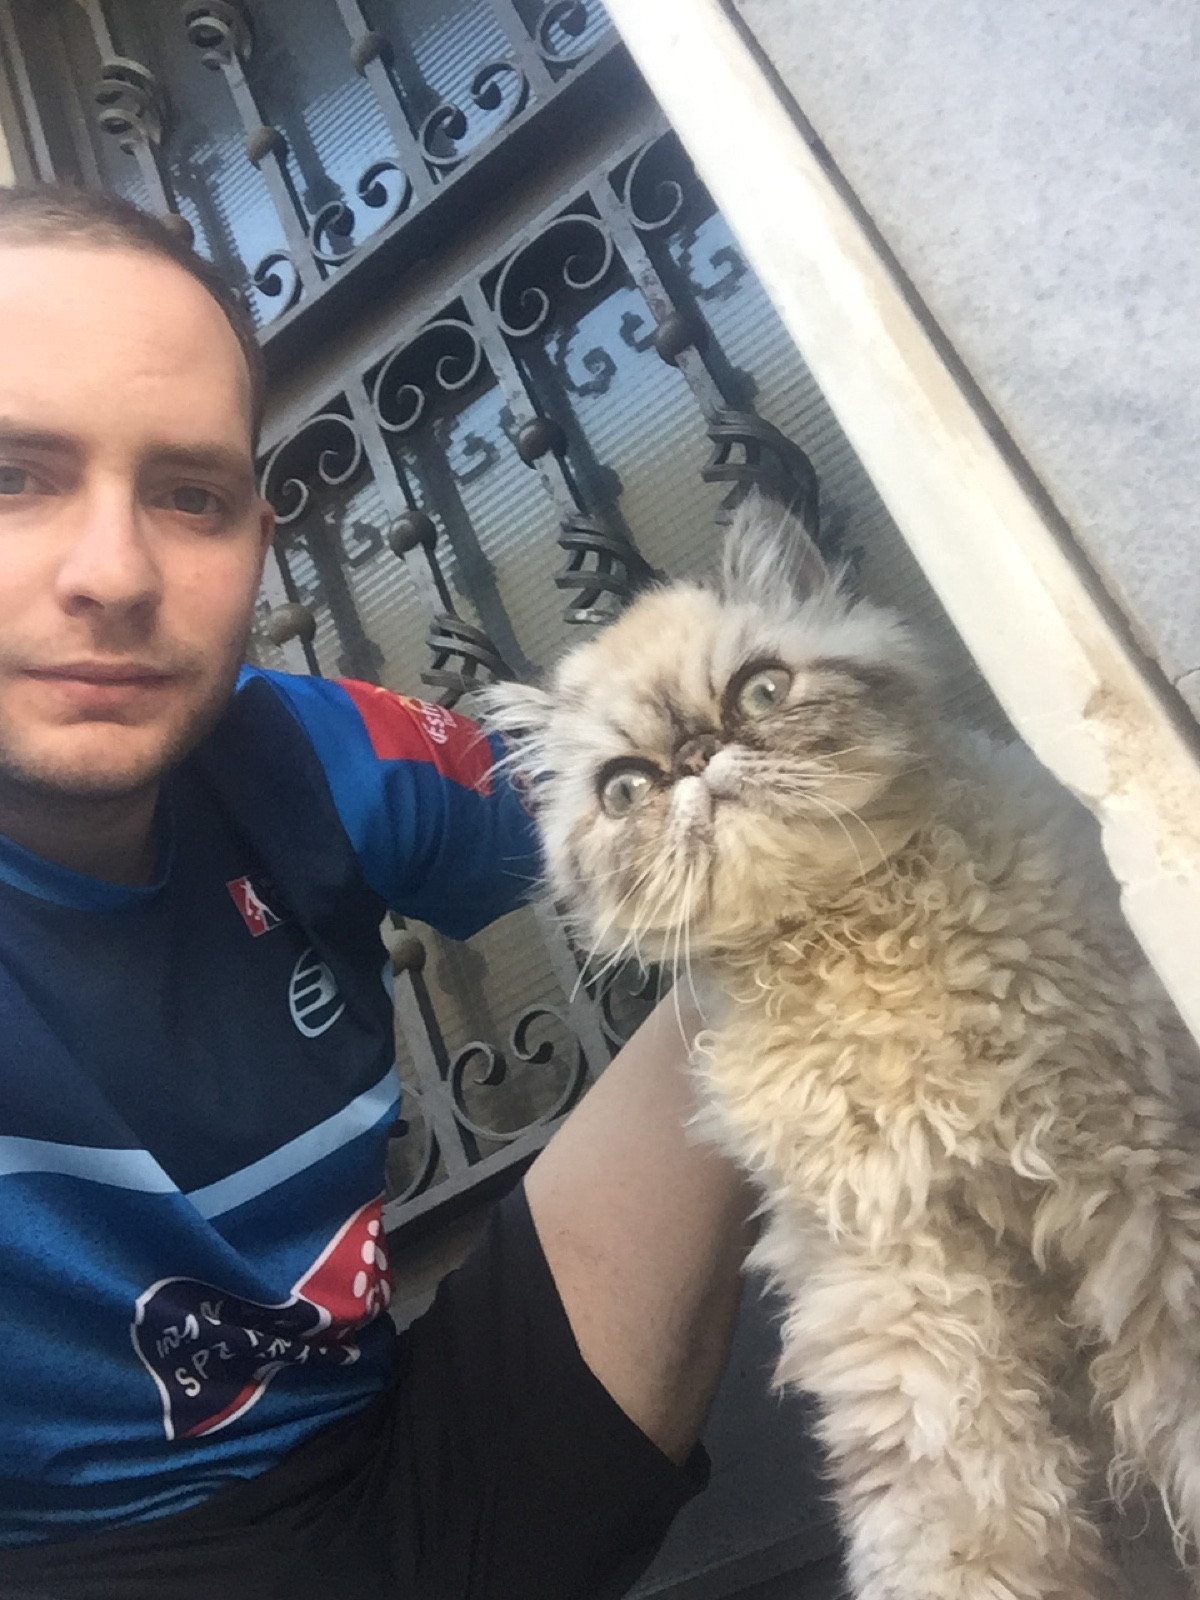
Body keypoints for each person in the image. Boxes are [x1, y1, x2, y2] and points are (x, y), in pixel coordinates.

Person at [0, 186, 751, 1599]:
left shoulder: (319, 755)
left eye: (188, 495)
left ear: (258, 535)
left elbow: (642, 807)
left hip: (418, 1449)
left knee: (810, 919)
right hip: (74, 1559)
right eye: (13, 476)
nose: (114, 573)